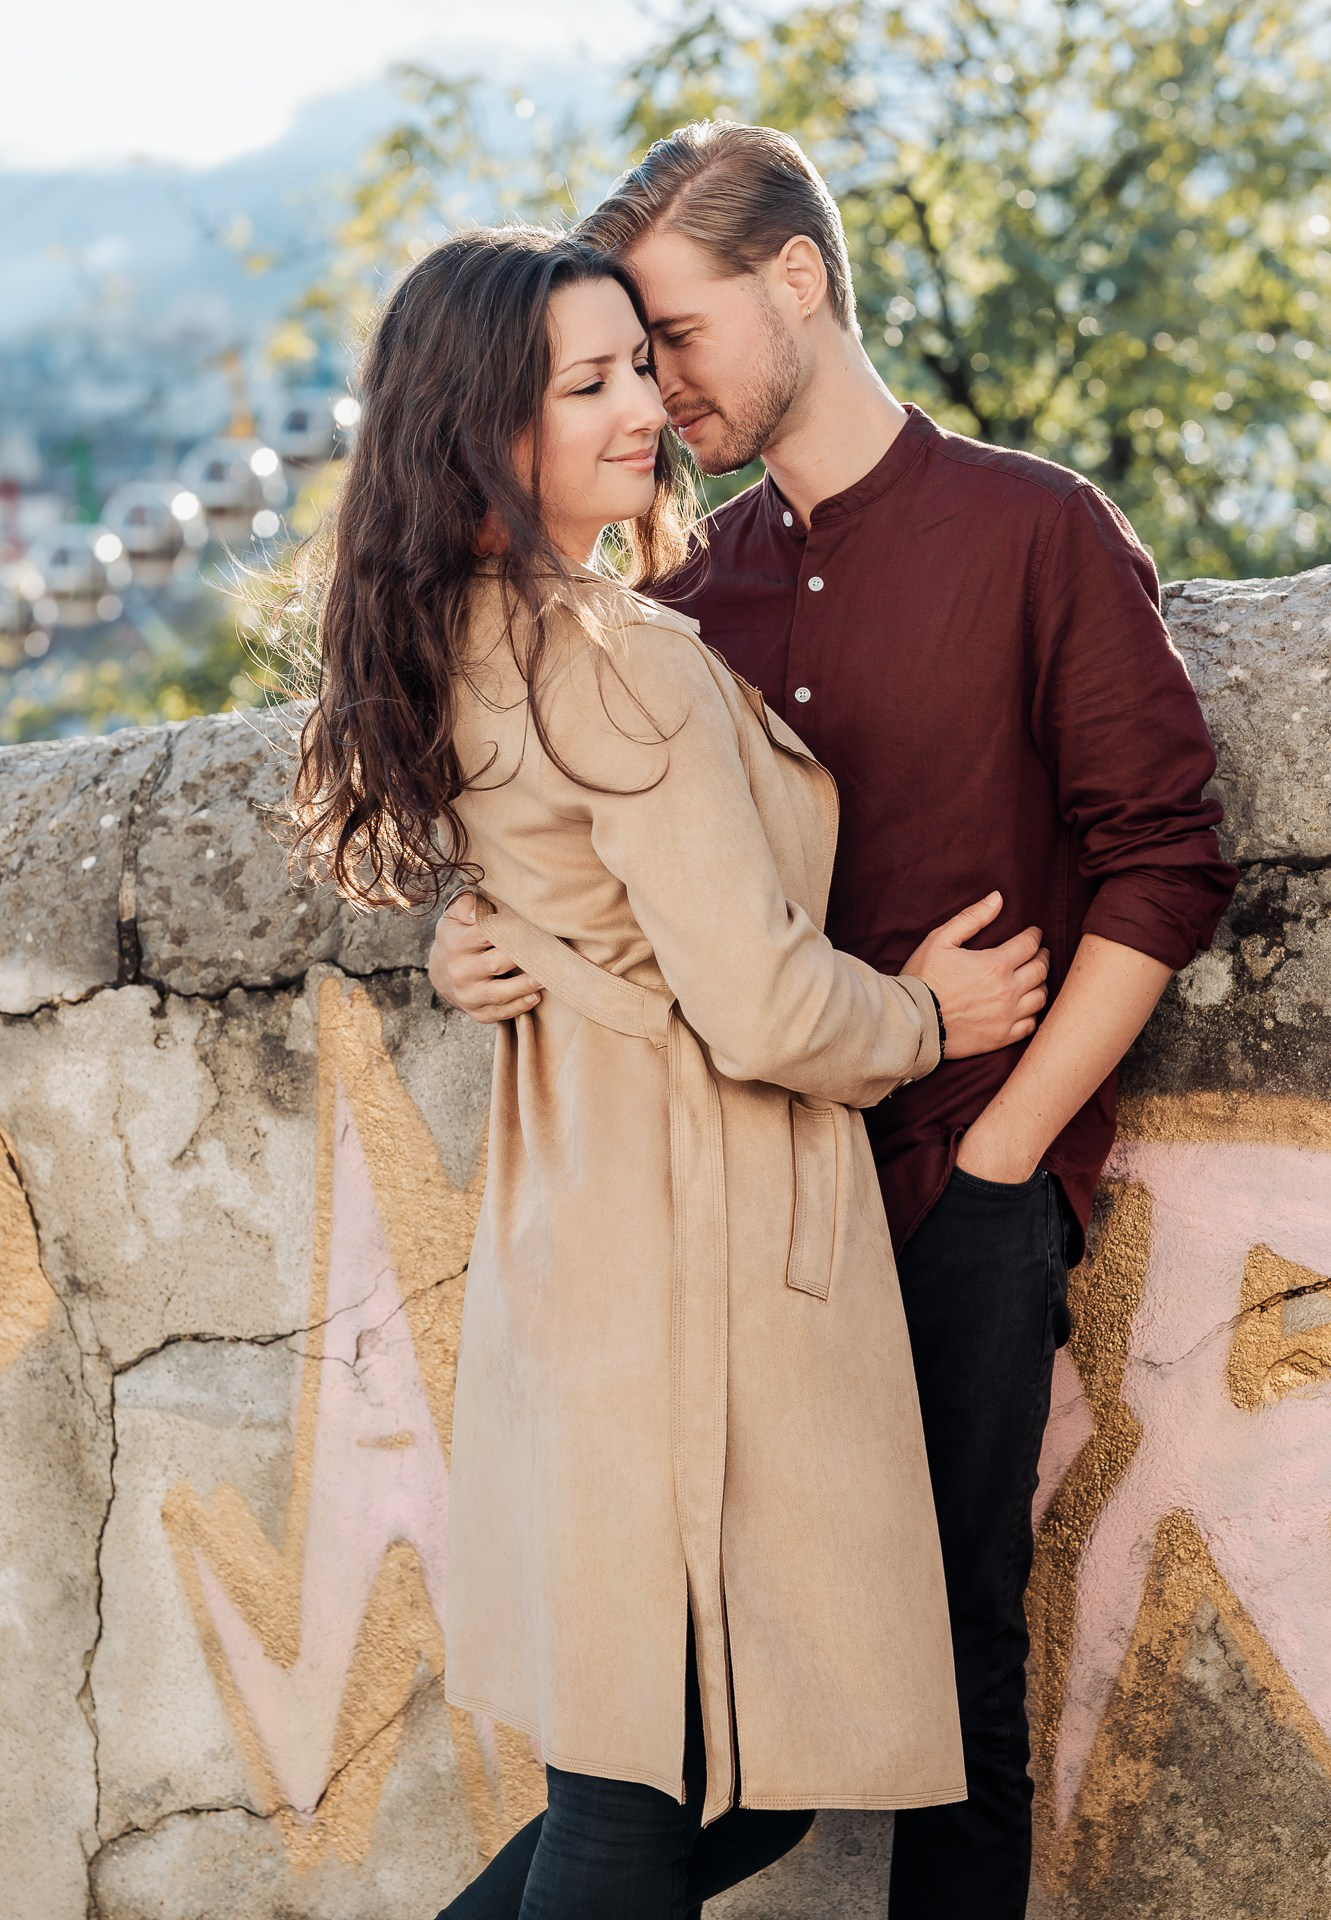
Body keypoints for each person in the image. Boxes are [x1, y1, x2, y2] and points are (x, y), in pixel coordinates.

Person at [429, 126, 1240, 1920]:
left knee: (948, 1688)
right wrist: (471, 936)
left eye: (676, 337)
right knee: (698, 1727)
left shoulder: (1035, 530)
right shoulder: (677, 605)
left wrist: (1013, 1143)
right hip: (734, 1224)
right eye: (624, 359)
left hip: (954, 1190)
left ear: (798, 278)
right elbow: (591, 847)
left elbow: (1164, 862)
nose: (660, 387)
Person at [288, 224, 1051, 1920]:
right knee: (658, 1799)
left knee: (677, 1786)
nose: (645, 407)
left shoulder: (476, 637)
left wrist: (487, 946)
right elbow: (770, 1008)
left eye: (642, 361)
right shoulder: (612, 659)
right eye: (590, 383)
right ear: (486, 430)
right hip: (689, 1258)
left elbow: (550, 895)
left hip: (590, 1236)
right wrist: (929, 1018)